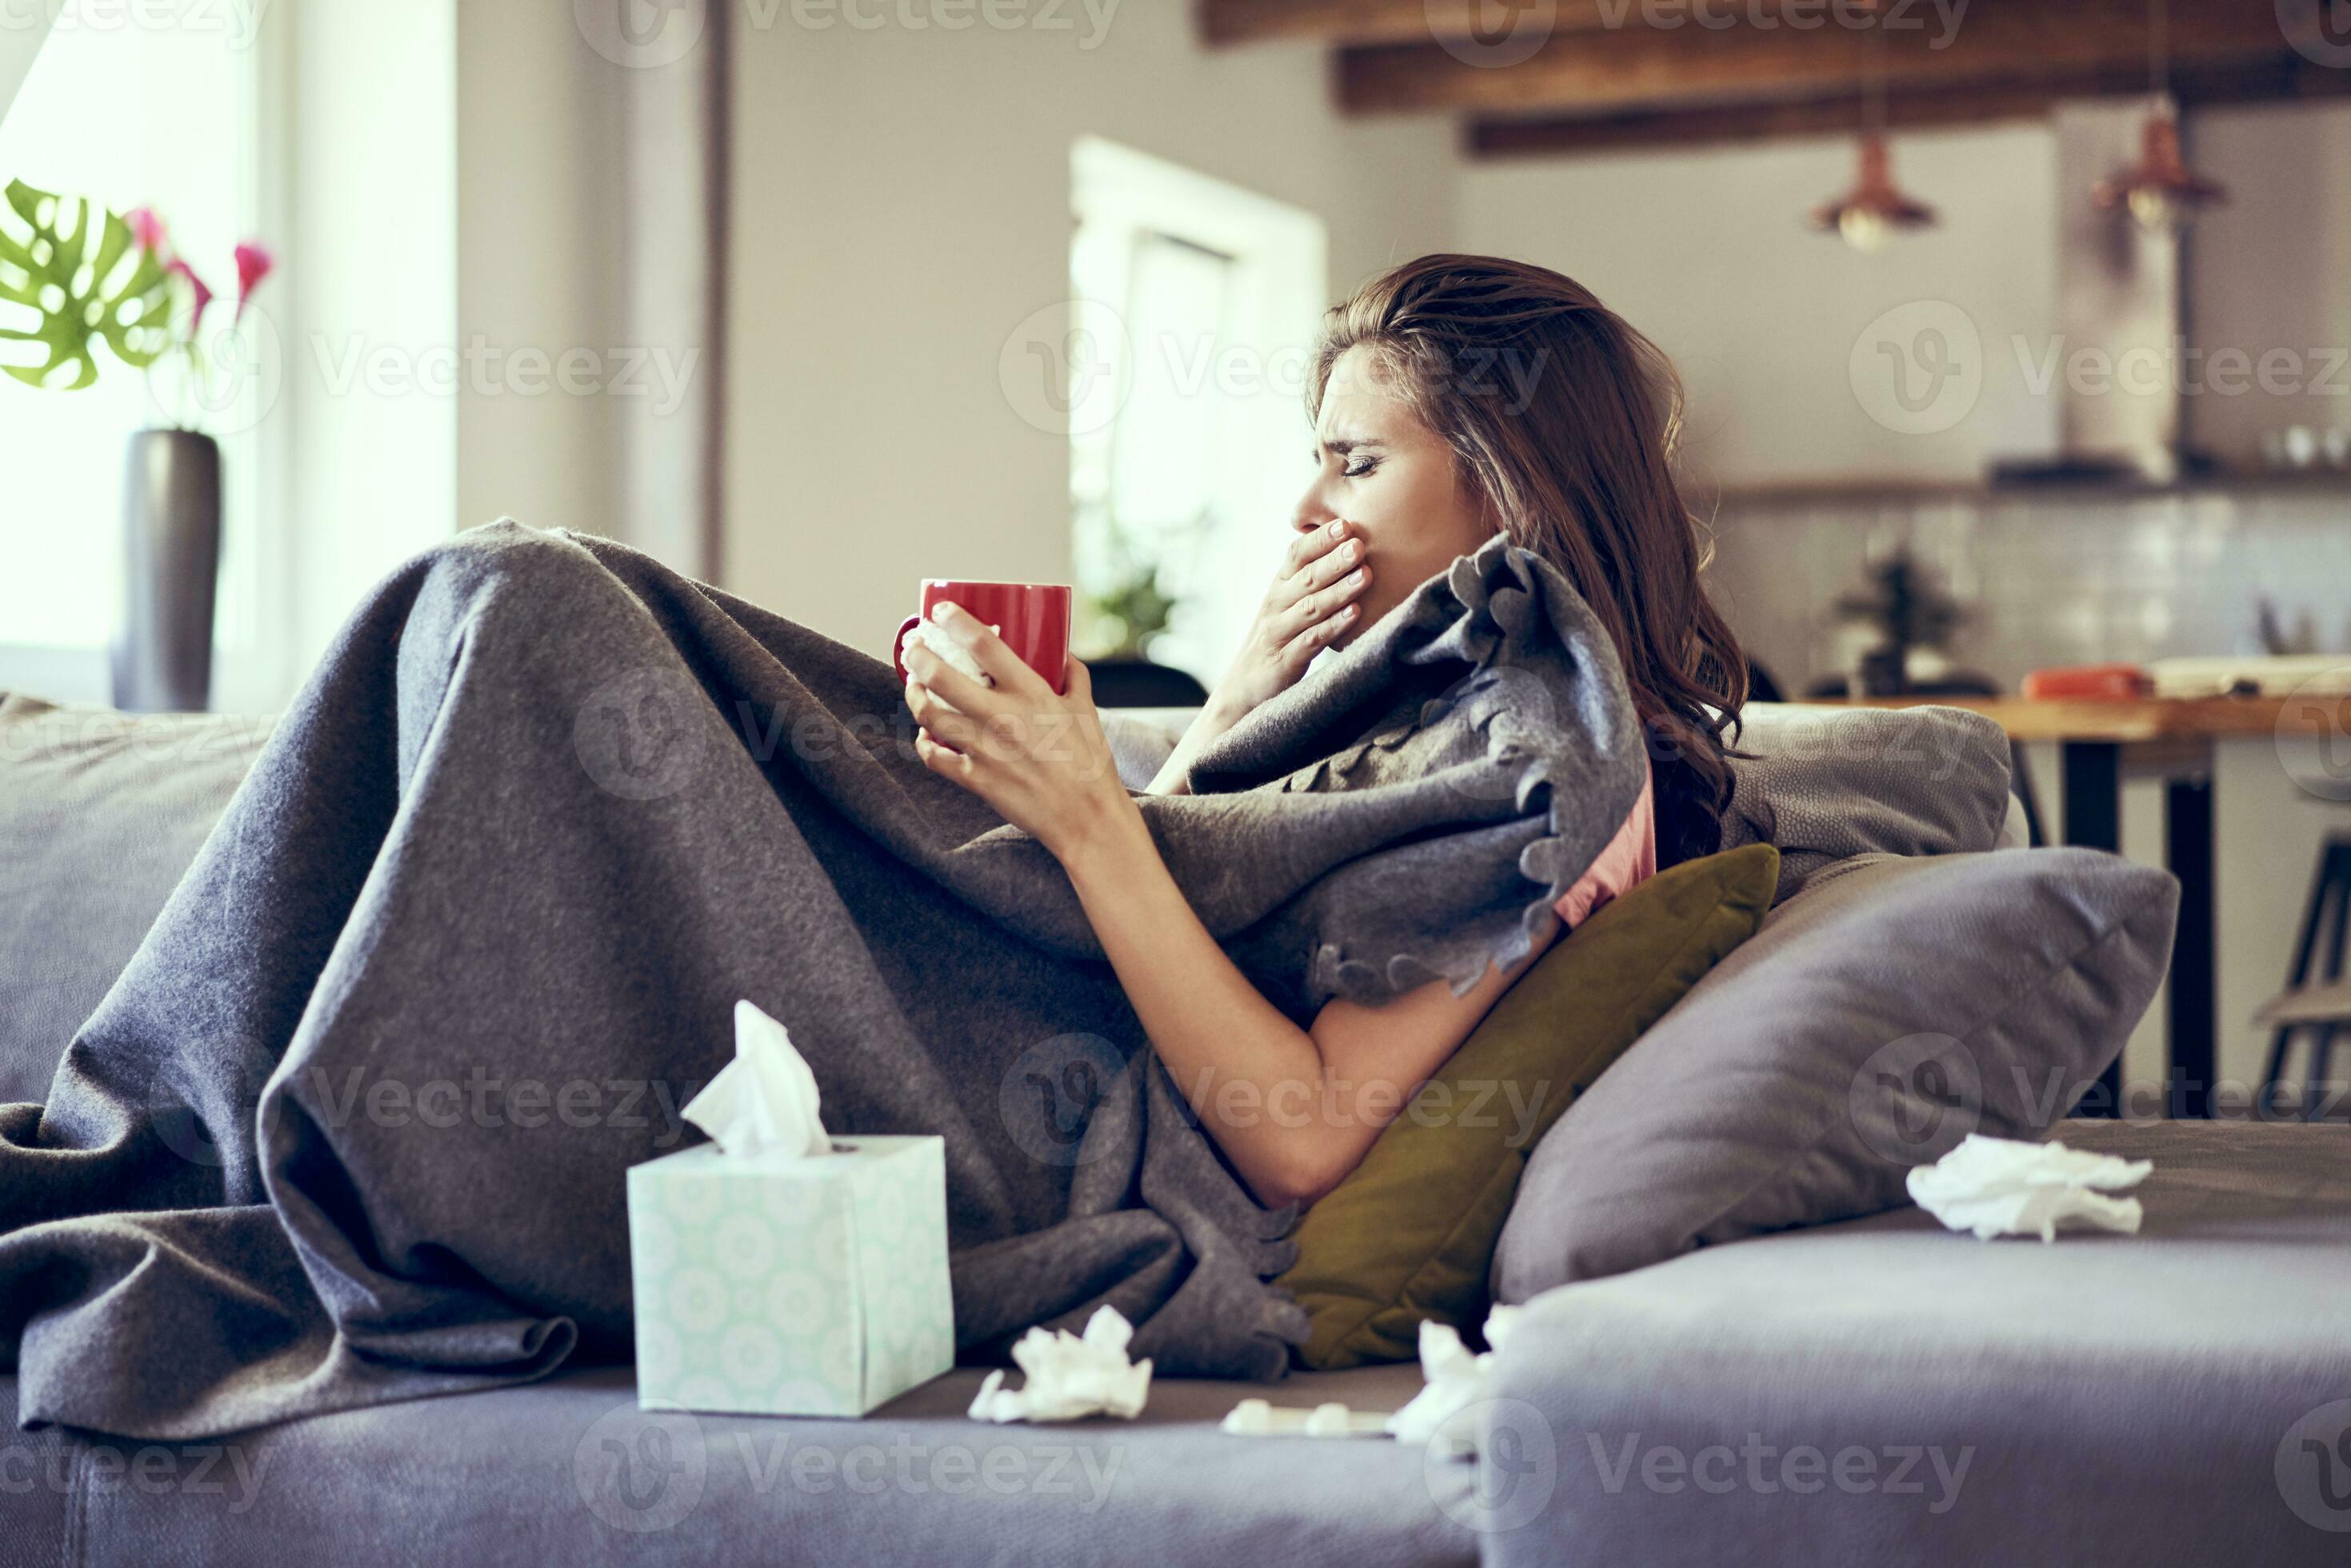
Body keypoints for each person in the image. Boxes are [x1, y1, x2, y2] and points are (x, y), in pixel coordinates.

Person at [901, 254, 1746, 1212]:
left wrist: (1086, 810)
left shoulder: (1538, 772)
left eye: (1358, 464)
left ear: (1512, 487)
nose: (1307, 512)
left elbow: (1299, 1137)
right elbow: (1158, 890)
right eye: (1319, 463)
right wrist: (1235, 706)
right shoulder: (1416, 713)